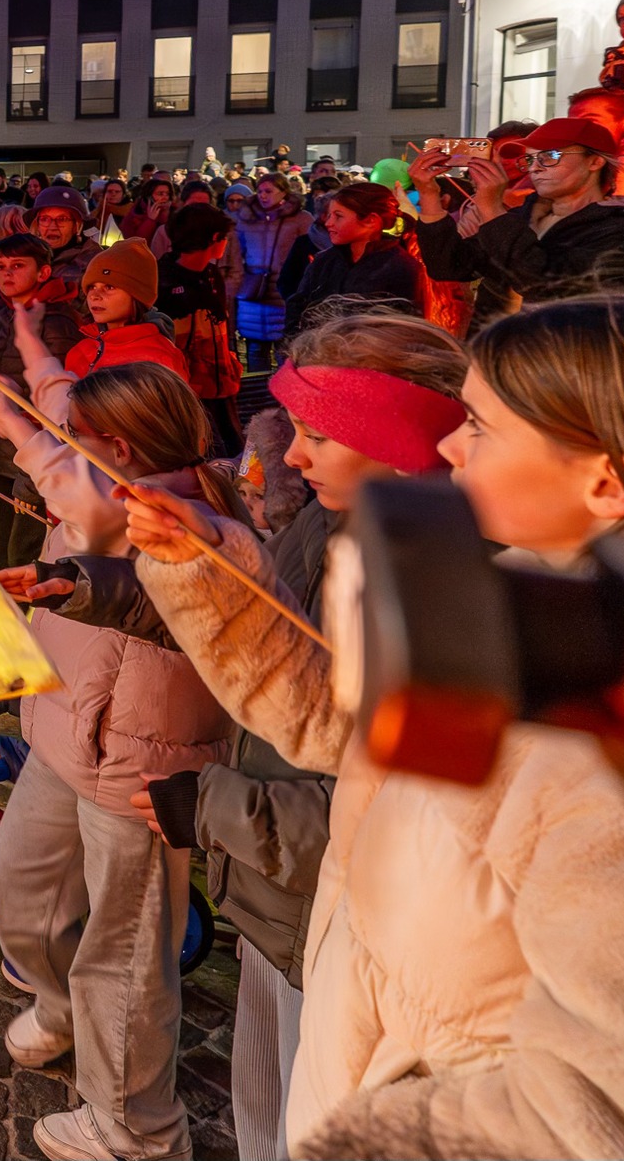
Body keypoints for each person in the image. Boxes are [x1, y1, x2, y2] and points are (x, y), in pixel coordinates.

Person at [124, 295, 624, 1159]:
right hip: (349, 1018)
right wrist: (204, 570)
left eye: (479, 425)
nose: (449, 445)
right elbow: (352, 726)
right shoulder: (520, 608)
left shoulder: (601, 704)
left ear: (604, 477)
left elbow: (594, 1106)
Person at [133, 312, 467, 1160]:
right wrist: (200, 562)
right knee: (265, 1099)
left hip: (350, 913)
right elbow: (303, 689)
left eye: (319, 434)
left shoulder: (445, 587)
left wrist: (214, 807)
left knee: (311, 1120)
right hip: (285, 901)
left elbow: (392, 798)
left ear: (397, 441)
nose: (291, 456)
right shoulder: (327, 523)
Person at [0, 361, 247, 1161]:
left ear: (122, 447)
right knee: (14, 884)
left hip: (139, 756)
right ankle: (65, 1009)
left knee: (126, 951)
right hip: (67, 729)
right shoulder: (104, 493)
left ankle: (137, 1127)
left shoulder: (174, 509)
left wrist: (25, 442)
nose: (64, 454)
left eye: (77, 442)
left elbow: (95, 521)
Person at [0, 234, 85, 567]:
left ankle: (31, 616)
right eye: (1, 266)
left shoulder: (56, 323)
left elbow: (63, 399)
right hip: (3, 453)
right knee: (3, 548)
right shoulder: (3, 319)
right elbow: (0, 382)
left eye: (17, 266)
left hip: (36, 457)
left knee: (27, 553)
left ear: (43, 273)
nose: (7, 273)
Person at [413, 115, 624, 298]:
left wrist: (492, 209)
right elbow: (449, 267)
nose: (535, 168)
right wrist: (430, 196)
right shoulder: (523, 217)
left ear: (595, 161)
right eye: (530, 159)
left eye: (550, 156)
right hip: (499, 353)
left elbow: (545, 286)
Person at [155, 204, 245, 454]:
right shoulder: (162, 280)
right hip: (187, 390)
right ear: (215, 238)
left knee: (232, 450)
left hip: (221, 384)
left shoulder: (211, 274)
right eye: (224, 238)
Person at [284, 182, 423, 335]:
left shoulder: (401, 267)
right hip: (316, 353)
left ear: (371, 221)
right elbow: (297, 306)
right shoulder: (325, 261)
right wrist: (294, 346)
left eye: (338, 216)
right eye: (329, 215)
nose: (328, 223)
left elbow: (404, 328)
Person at [61, 241, 189, 381]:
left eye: (109, 287)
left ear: (137, 294)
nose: (94, 296)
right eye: (92, 287)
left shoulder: (160, 359)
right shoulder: (80, 351)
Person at [233, 174, 315, 358]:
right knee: (255, 348)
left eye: (268, 191)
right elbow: (237, 252)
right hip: (254, 290)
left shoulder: (300, 219)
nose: (263, 195)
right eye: (260, 191)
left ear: (283, 192)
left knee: (285, 348)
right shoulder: (246, 218)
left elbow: (309, 251)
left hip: (286, 290)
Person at [29, 186, 97, 294]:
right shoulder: (27, 255)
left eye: (62, 219)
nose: (52, 226)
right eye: (44, 219)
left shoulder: (93, 263)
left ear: (77, 226)